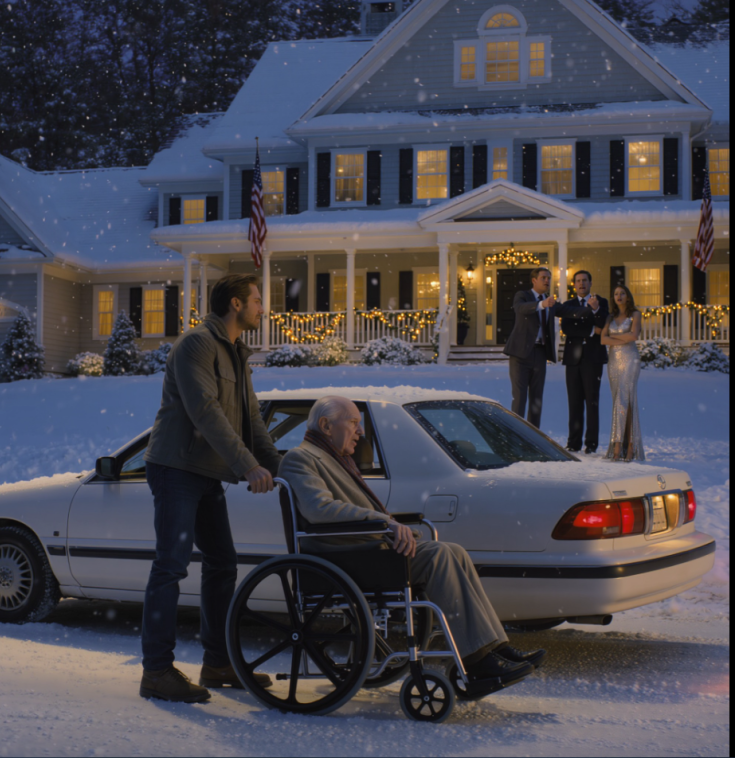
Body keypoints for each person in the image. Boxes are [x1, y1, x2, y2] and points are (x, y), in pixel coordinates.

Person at [278, 395, 547, 701]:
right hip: (342, 558)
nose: (361, 431)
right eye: (353, 423)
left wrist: (386, 525)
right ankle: (478, 660)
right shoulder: (301, 459)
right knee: (440, 556)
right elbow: (319, 510)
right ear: (326, 425)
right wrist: (384, 521)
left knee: (454, 551)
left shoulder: (334, 458)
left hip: (361, 552)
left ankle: (495, 647)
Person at [139, 274, 282, 703]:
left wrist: (279, 466)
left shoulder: (238, 352)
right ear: (235, 304)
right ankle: (157, 672)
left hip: (207, 473)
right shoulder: (196, 345)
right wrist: (247, 466)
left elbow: (251, 419)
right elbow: (206, 412)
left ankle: (218, 663)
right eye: (257, 300)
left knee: (222, 562)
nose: (263, 308)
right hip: (176, 468)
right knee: (171, 566)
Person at [503, 267, 598, 428]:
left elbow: (569, 311)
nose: (547, 281)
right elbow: (520, 308)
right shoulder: (523, 296)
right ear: (534, 280)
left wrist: (590, 309)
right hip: (520, 354)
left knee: (537, 398)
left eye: (549, 278)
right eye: (543, 278)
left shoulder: (551, 302)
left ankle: (533, 436)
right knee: (519, 397)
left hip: (540, 353)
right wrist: (541, 304)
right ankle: (516, 435)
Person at [560, 270, 610, 454]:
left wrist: (595, 310)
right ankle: (573, 443)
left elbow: (604, 324)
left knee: (592, 402)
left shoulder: (601, 302)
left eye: (584, 281)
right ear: (574, 285)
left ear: (590, 283)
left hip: (593, 358)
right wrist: (590, 330)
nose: (581, 284)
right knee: (574, 403)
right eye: (578, 281)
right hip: (573, 359)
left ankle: (591, 444)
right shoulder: (568, 305)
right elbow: (566, 328)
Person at [601, 284, 645, 461]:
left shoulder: (635, 314)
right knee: (617, 402)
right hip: (613, 362)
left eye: (622, 293)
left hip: (630, 360)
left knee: (627, 401)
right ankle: (617, 445)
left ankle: (627, 449)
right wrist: (623, 337)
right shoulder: (609, 317)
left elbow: (634, 336)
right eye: (616, 294)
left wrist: (614, 338)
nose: (619, 296)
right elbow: (603, 340)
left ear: (628, 296)